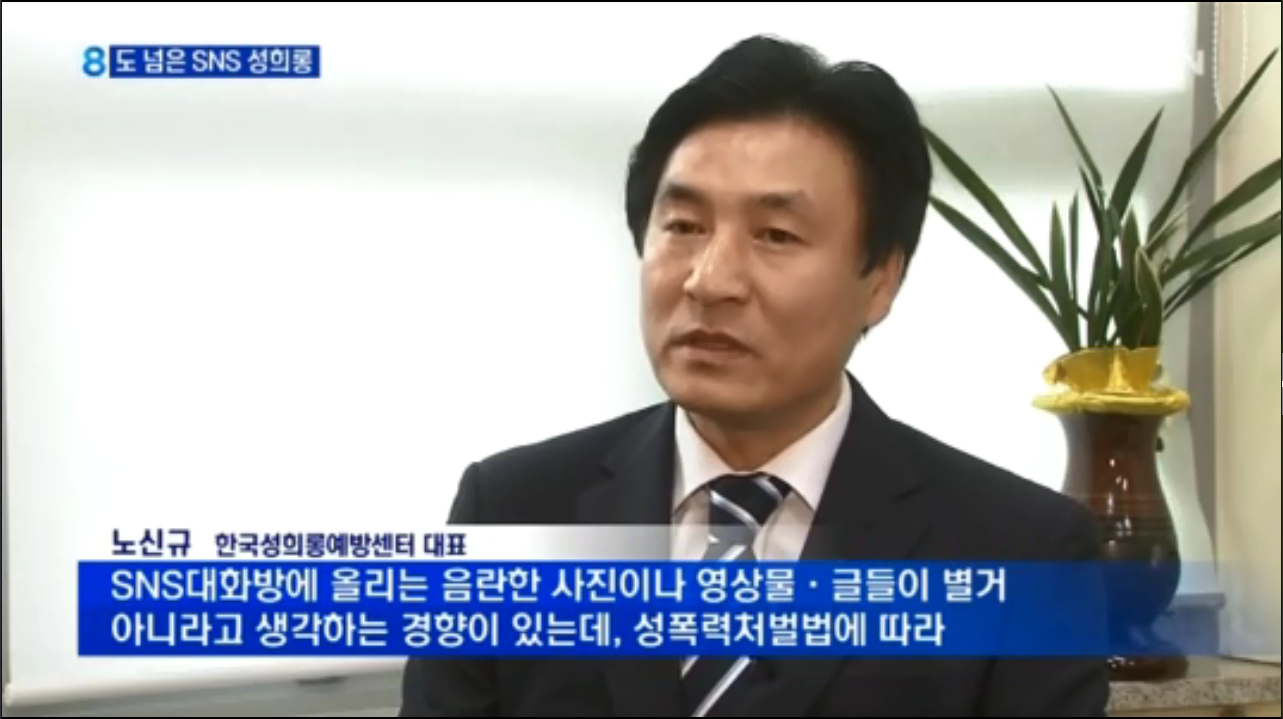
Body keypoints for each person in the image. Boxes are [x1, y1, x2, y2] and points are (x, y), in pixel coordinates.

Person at [399, 34, 1109, 717]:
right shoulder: (510, 511)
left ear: (880, 280)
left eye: (775, 235)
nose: (710, 280)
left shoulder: (1023, 554)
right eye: (683, 226)